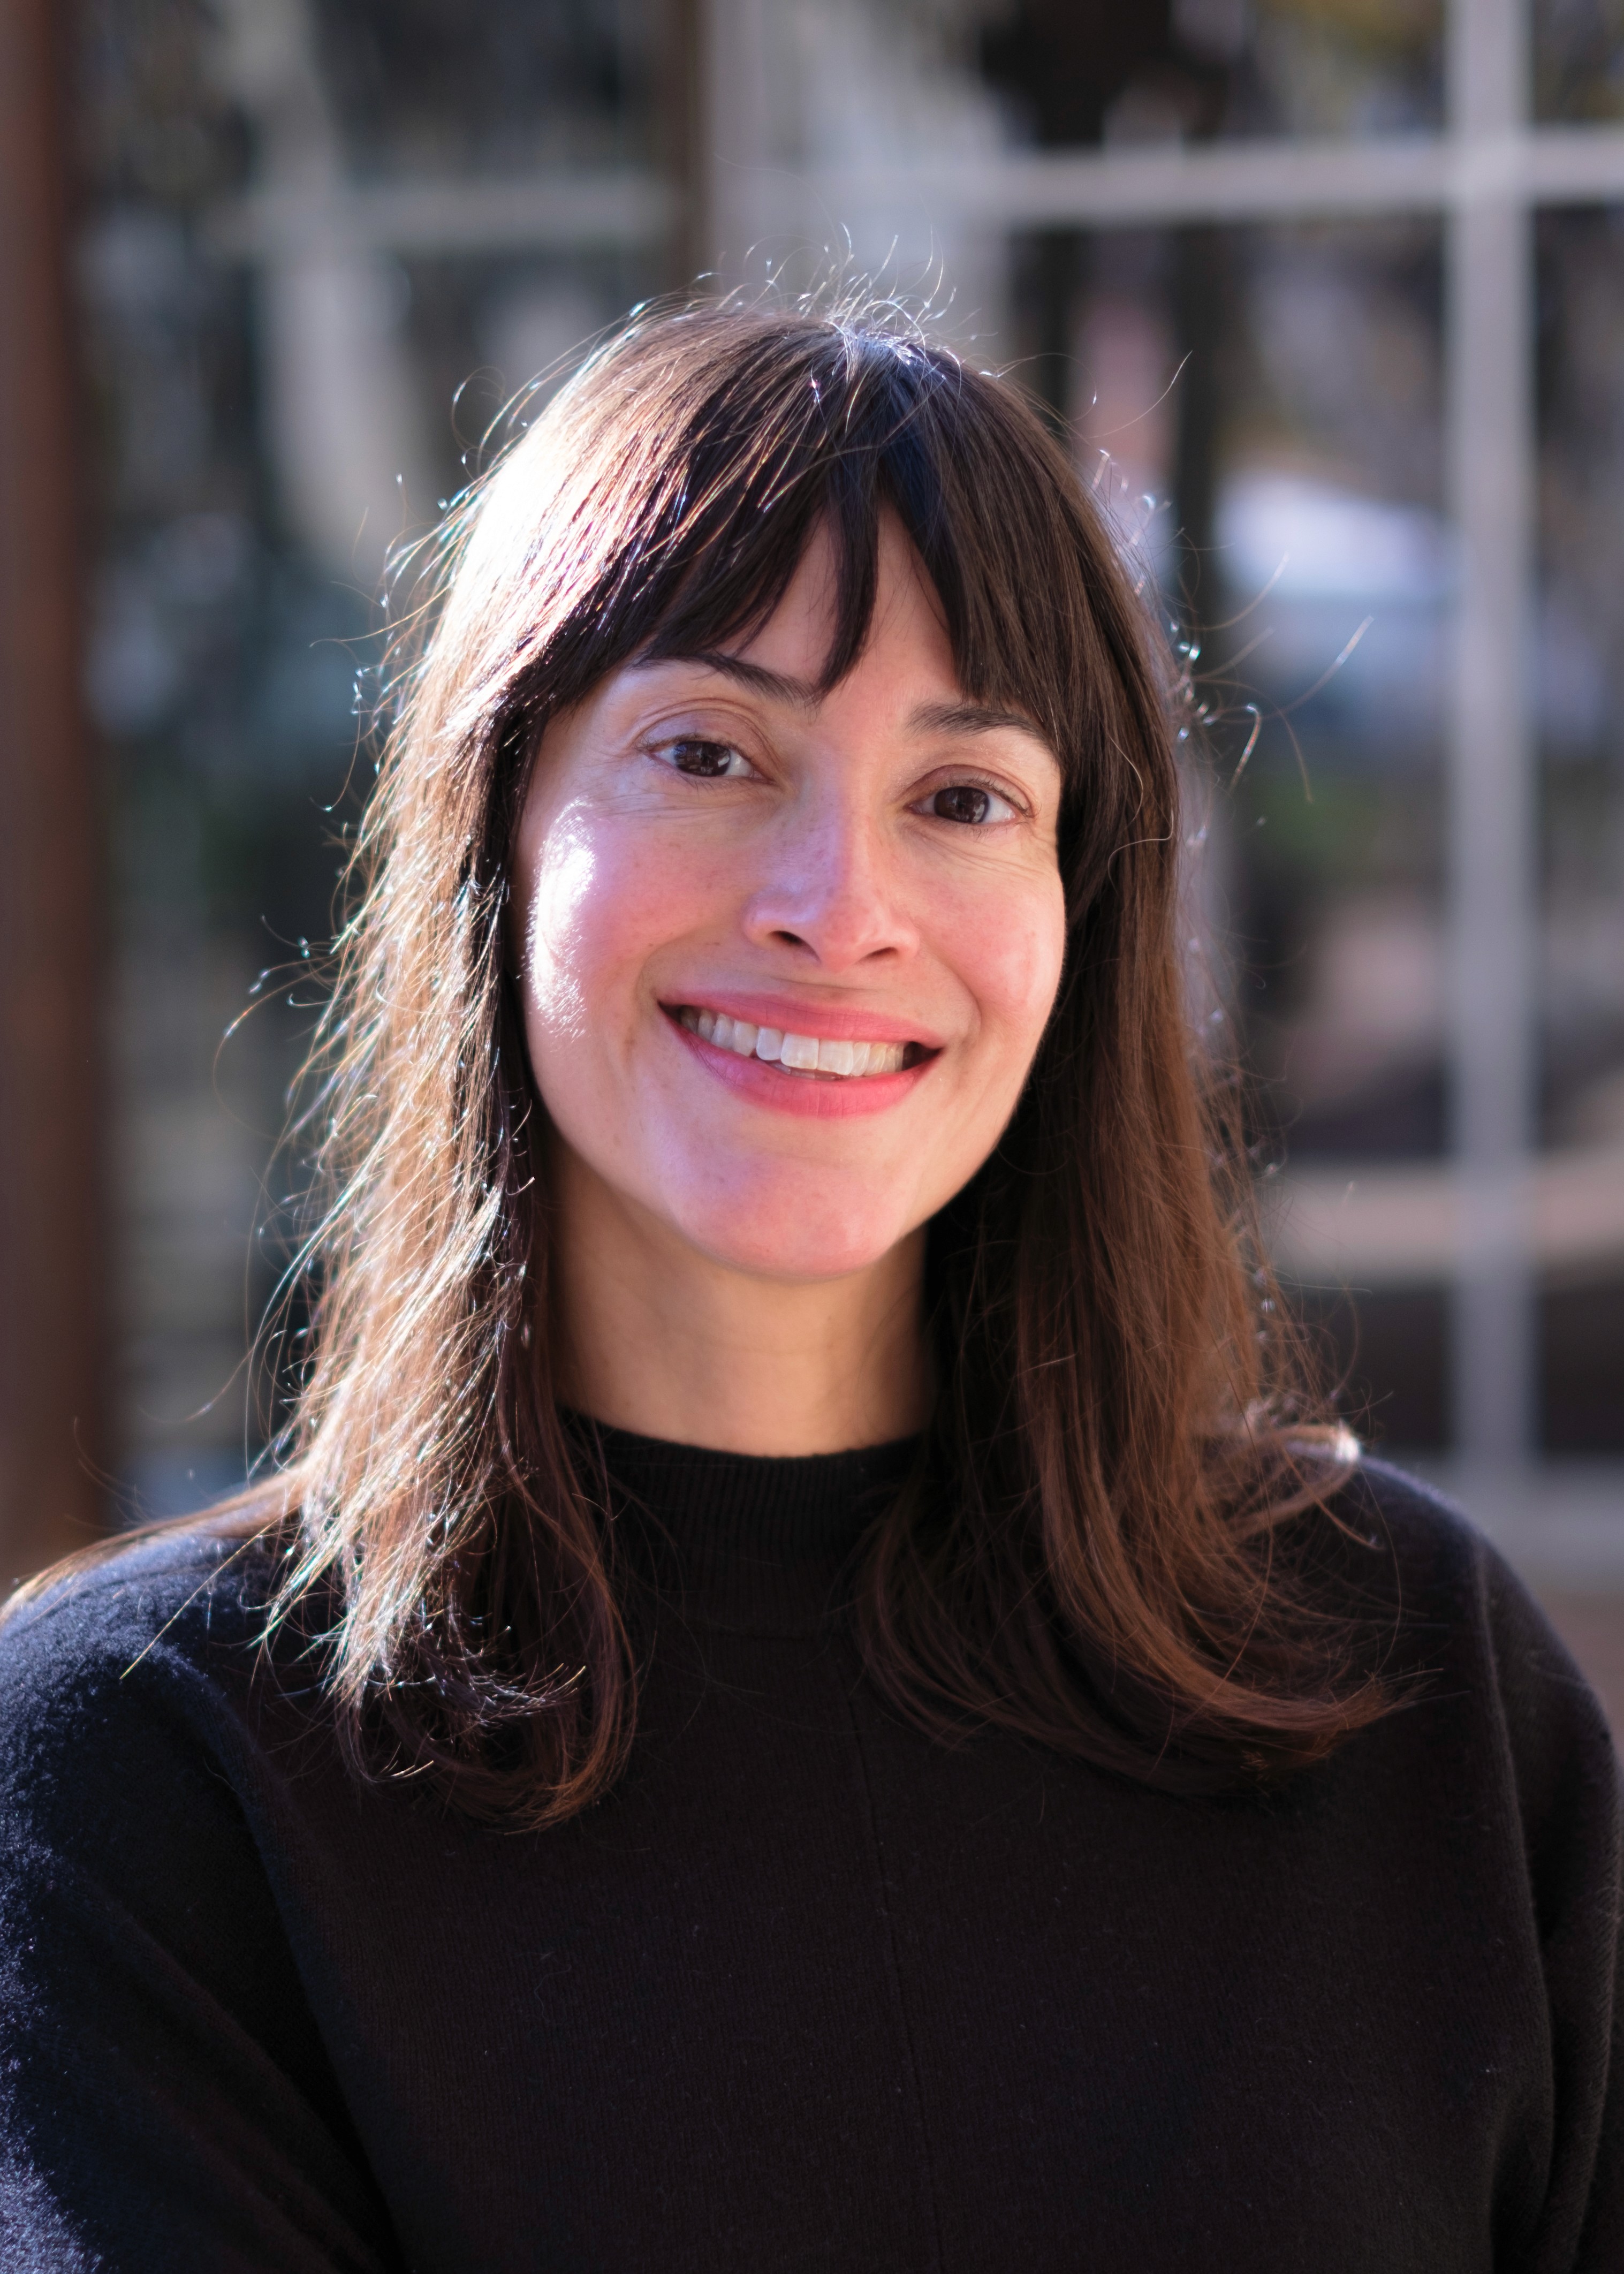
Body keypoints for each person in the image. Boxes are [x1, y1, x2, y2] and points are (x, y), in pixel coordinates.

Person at [0, 299, 1618, 2273]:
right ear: (493, 833)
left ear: (1076, 913)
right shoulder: (151, 1780)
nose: (833, 906)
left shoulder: (1415, 1691)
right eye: (707, 751)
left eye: (963, 799)